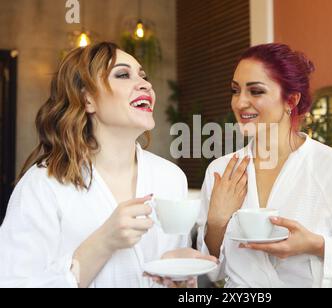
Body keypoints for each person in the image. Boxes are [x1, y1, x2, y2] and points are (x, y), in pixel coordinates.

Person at [0, 42, 214, 288]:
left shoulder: (170, 177)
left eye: (143, 76)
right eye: (123, 75)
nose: (146, 84)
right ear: (88, 99)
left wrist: (179, 276)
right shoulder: (43, 184)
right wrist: (103, 242)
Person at [197, 43, 332, 288]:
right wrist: (216, 222)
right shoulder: (221, 170)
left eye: (255, 91)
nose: (239, 102)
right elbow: (213, 271)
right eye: (235, 91)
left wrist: (315, 245)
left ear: (291, 100)